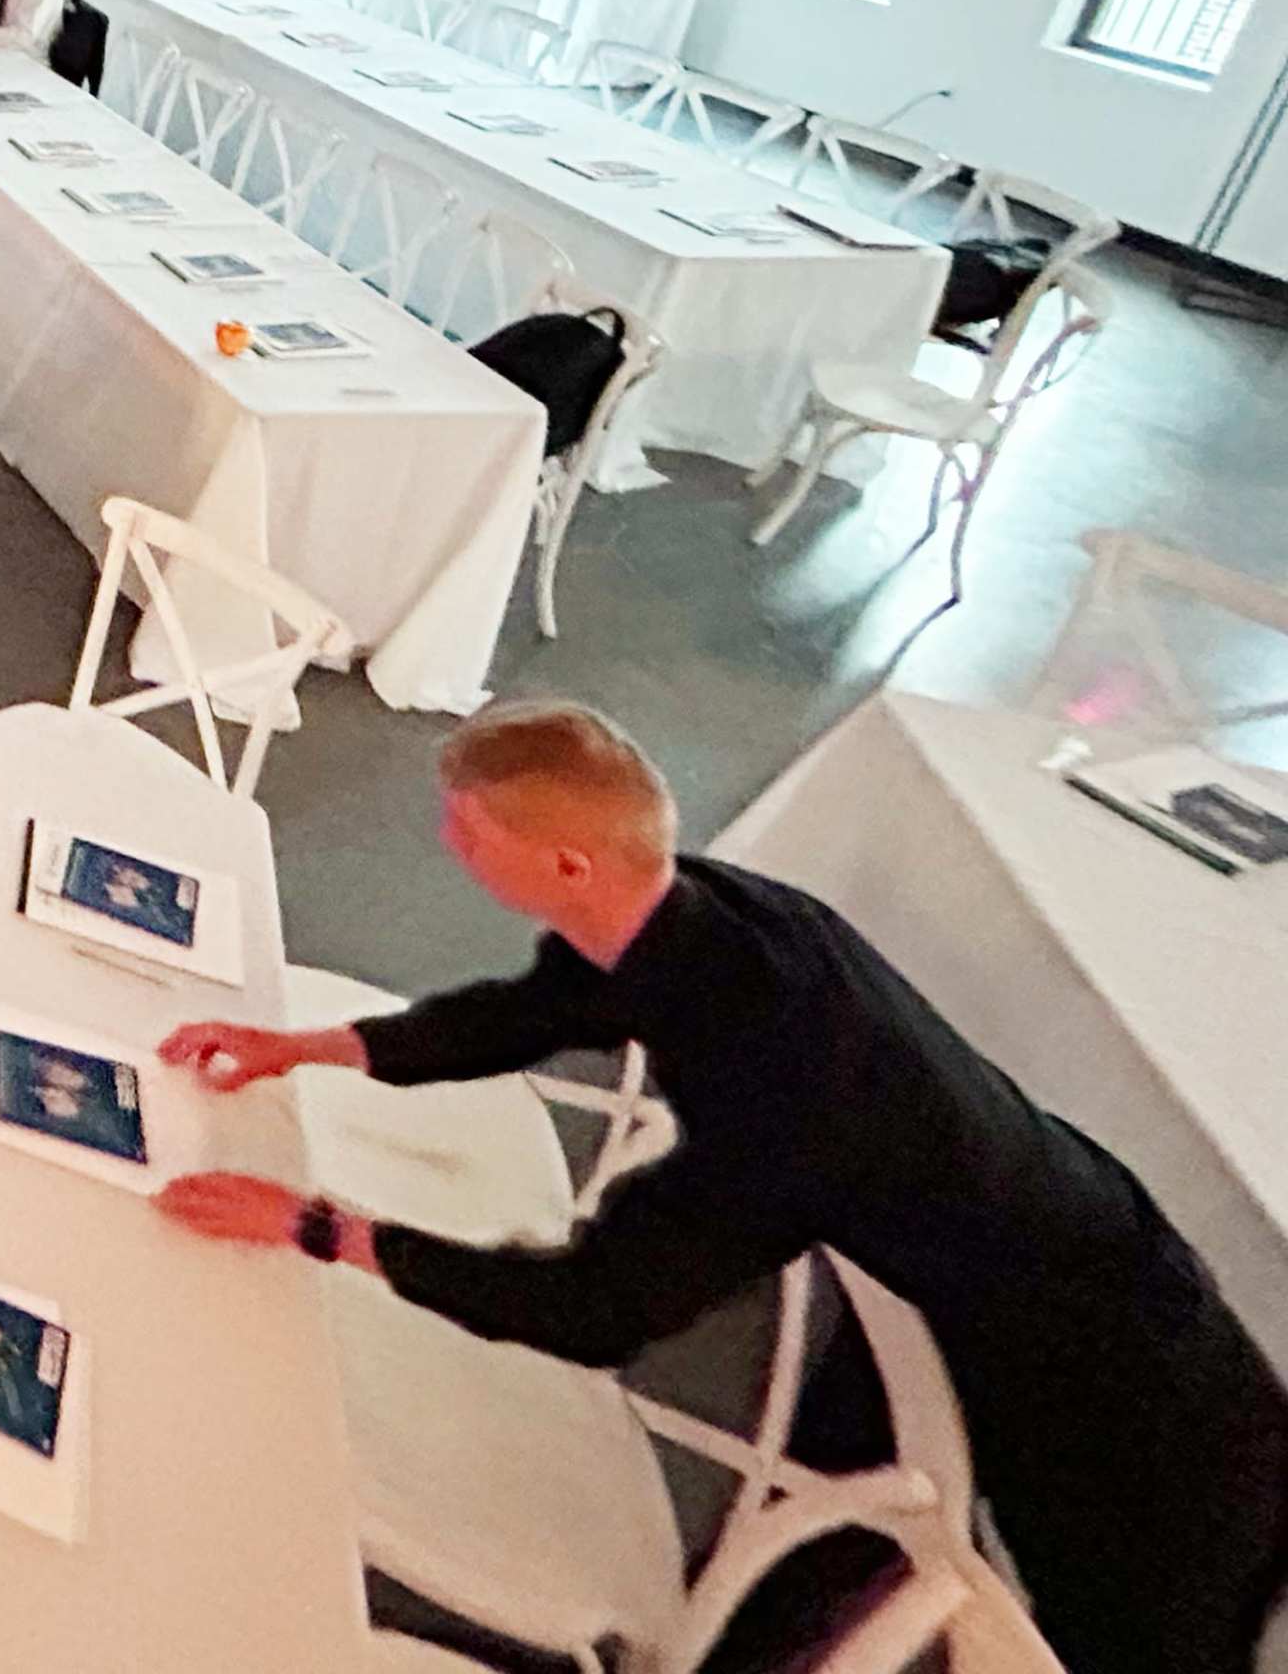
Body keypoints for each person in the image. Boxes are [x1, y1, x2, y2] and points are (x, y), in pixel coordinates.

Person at [150, 701, 1288, 1674]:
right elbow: (522, 1017)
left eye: (468, 829)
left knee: (1148, 1632)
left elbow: (594, 1311)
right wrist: (296, 1049)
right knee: (852, 1550)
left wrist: (313, 1225)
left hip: (1114, 1375)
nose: (449, 842)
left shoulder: (776, 1078)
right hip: (1002, 1240)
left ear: (569, 865)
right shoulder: (682, 915)